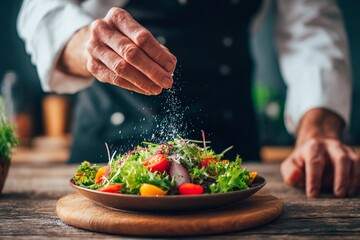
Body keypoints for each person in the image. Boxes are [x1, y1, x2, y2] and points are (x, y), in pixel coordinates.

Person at [17, 0, 359, 198]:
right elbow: (41, 9)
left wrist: (319, 129)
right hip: (108, 127)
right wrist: (88, 47)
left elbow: (312, 31)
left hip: (230, 144)